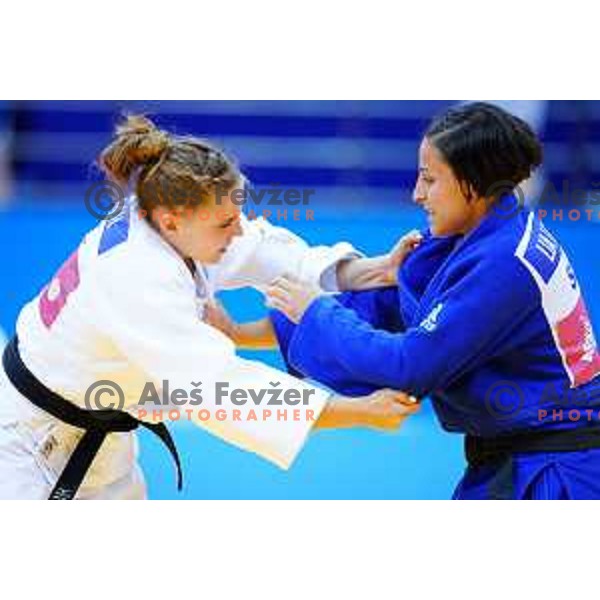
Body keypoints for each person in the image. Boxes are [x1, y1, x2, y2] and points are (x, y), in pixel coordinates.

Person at [0, 115, 419, 500]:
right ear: (170, 220)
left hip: (100, 437)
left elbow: (271, 253)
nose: (237, 229)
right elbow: (217, 390)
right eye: (224, 223)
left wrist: (381, 269)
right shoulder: (137, 275)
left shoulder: (166, 221)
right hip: (29, 447)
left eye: (237, 214)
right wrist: (358, 411)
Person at [266, 102, 600, 500]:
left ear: (471, 183)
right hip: (520, 454)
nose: (416, 194)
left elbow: (410, 364)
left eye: (429, 179)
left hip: (556, 470)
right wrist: (233, 332)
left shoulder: (502, 262)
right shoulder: (482, 232)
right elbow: (390, 308)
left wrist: (316, 311)